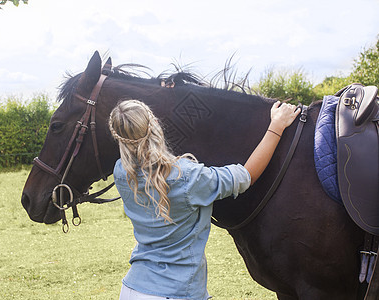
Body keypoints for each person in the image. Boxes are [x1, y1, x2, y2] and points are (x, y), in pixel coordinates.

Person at [108, 99, 300, 300]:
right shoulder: (188, 177)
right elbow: (247, 176)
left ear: (119, 137)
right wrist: (276, 127)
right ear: (155, 123)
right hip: (177, 293)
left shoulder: (121, 172)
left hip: (132, 289)